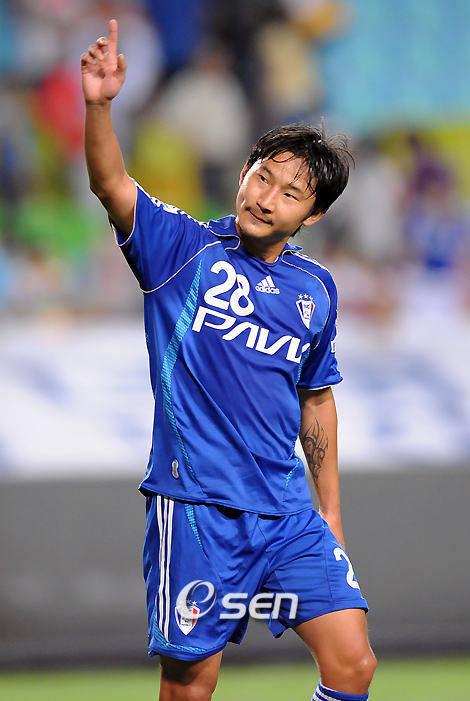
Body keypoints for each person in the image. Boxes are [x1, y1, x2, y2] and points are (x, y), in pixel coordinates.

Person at [81, 20, 377, 701]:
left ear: (313, 216)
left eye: (289, 193)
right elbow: (110, 182)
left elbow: (316, 397)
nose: (265, 197)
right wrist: (99, 105)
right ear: (244, 170)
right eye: (261, 176)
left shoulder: (315, 290)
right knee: (191, 685)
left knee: (353, 664)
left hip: (287, 513)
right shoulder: (181, 250)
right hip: (197, 509)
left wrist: (330, 514)